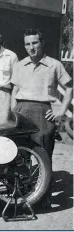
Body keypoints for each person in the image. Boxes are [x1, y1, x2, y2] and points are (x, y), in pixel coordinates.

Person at [11, 28, 73, 206]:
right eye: (28, 44)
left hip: (43, 112)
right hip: (21, 110)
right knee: (21, 155)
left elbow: (69, 86)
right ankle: (25, 194)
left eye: (35, 43)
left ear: (42, 43)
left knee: (43, 154)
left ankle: (43, 198)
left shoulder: (54, 65)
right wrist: (13, 112)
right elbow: (14, 91)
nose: (31, 47)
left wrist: (61, 110)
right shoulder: (20, 65)